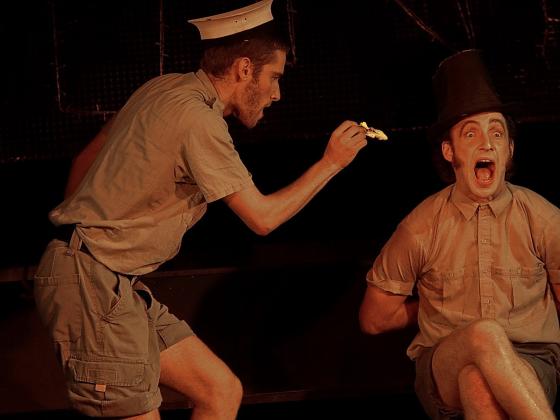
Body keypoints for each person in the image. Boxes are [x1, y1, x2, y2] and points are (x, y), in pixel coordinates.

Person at [33, 1, 369, 418]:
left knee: (219, 391)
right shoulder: (199, 121)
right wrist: (331, 163)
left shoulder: (163, 87)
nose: (277, 94)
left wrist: (80, 234)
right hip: (94, 284)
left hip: (106, 280)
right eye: (275, 77)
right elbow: (262, 219)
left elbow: (84, 161)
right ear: (244, 69)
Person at [359, 48, 560, 420]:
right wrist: (433, 305)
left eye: (496, 133)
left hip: (531, 361)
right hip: (443, 365)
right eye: (471, 133)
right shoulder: (421, 227)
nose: (486, 143)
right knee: (483, 336)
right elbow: (374, 319)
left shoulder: (544, 219)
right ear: (449, 151)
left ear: (508, 150)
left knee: (477, 383)